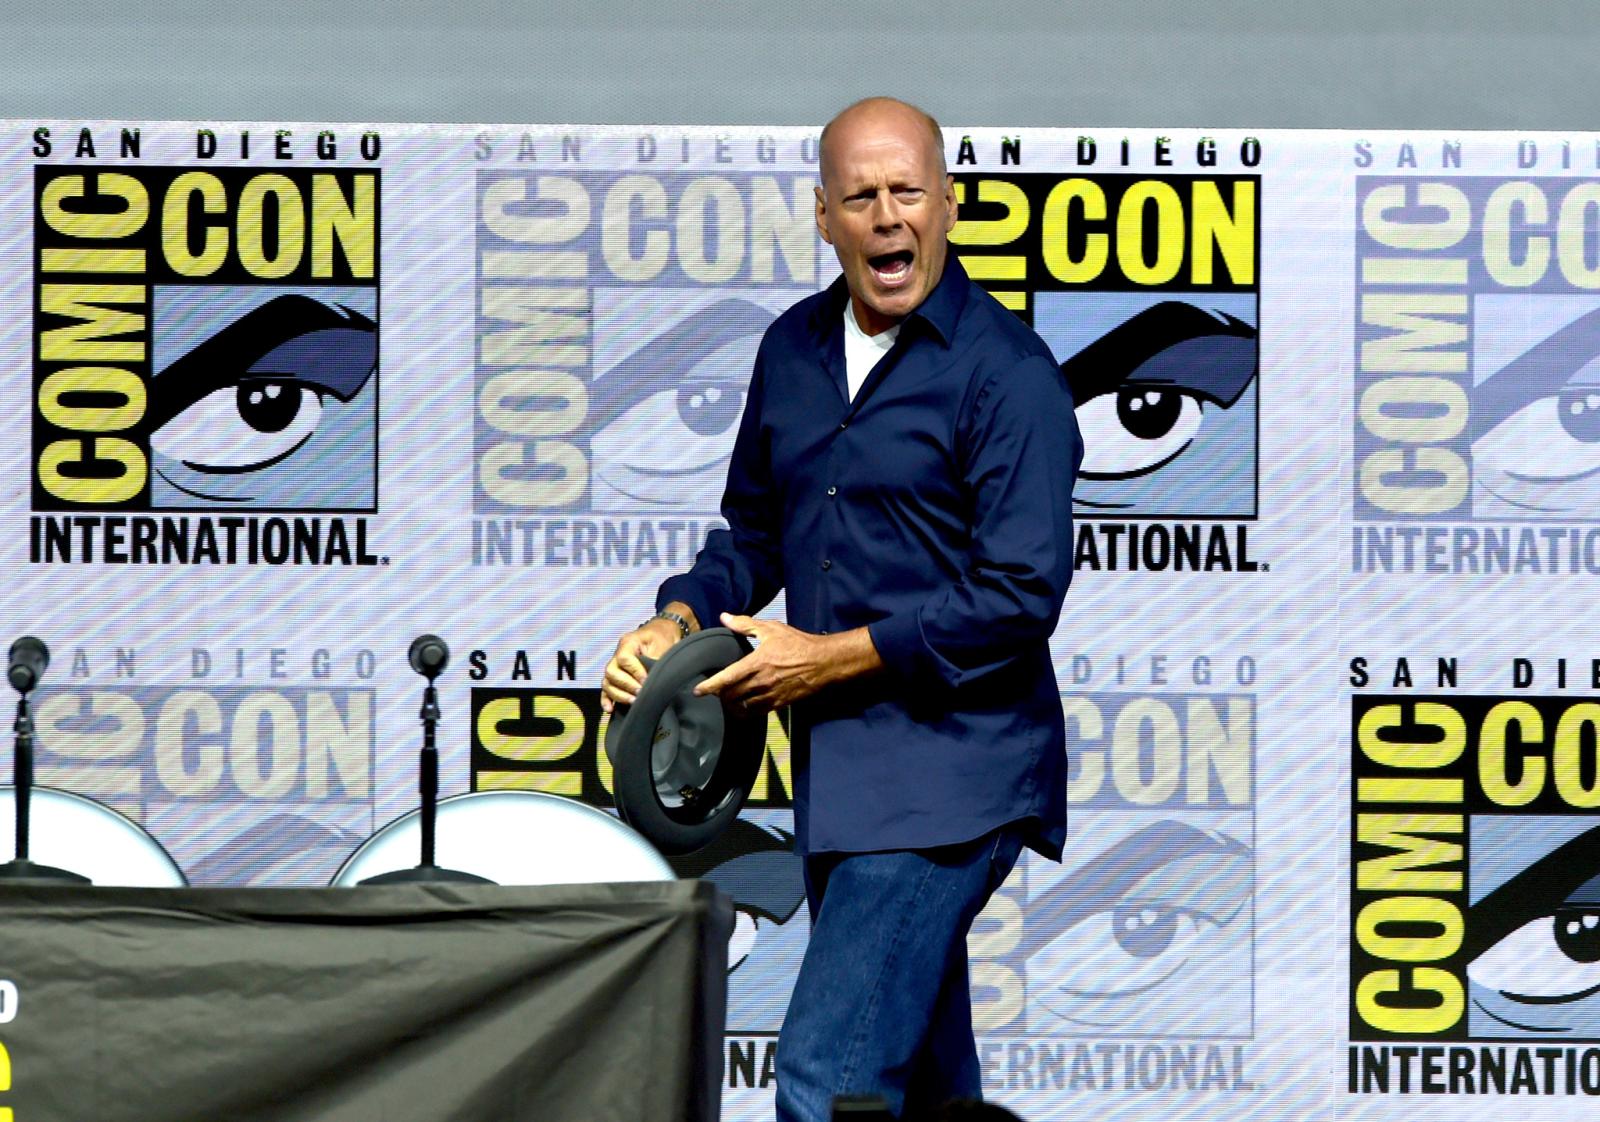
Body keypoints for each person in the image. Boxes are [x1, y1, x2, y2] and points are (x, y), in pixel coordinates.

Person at [601, 96, 1080, 1120]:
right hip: (843, 785)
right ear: (824, 216)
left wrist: (829, 659)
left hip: (954, 780)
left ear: (949, 205)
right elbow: (754, 534)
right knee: (932, 1097)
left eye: (908, 191)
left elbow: (1020, 592)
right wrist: (676, 620)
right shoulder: (791, 350)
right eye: (860, 197)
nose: (887, 216)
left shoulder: (1008, 374)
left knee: (827, 1080)